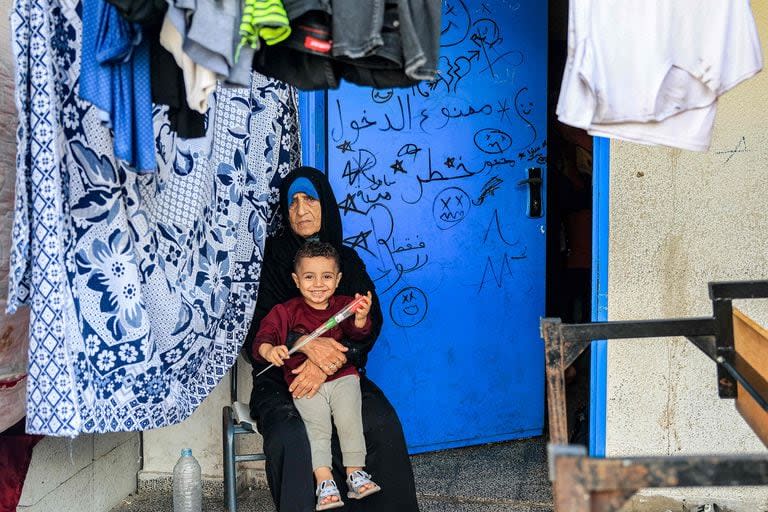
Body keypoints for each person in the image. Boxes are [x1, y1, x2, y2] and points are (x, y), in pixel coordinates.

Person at [246, 166, 419, 512]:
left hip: (341, 371)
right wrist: (306, 344)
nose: (300, 209)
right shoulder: (270, 261)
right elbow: (257, 333)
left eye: (309, 198)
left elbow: (369, 322)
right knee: (291, 435)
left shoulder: (347, 261)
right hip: (283, 381)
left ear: (325, 204)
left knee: (381, 422)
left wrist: (327, 364)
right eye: (292, 202)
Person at [254, 241, 381, 510]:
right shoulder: (285, 312)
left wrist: (360, 319)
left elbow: (359, 336)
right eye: (309, 277)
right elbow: (262, 340)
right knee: (317, 427)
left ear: (338, 280)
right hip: (304, 382)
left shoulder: (344, 305)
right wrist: (271, 351)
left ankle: (354, 473)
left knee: (349, 419)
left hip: (342, 377)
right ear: (296, 280)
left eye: (326, 277)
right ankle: (325, 482)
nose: (318, 284)